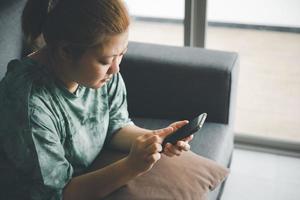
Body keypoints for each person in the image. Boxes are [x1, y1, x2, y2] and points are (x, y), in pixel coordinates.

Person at [0, 0, 194, 199]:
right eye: (105, 61)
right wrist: (131, 167)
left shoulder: (99, 76)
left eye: (122, 54)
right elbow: (59, 194)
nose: (116, 69)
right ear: (65, 51)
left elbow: (116, 126)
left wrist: (156, 139)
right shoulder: (29, 107)